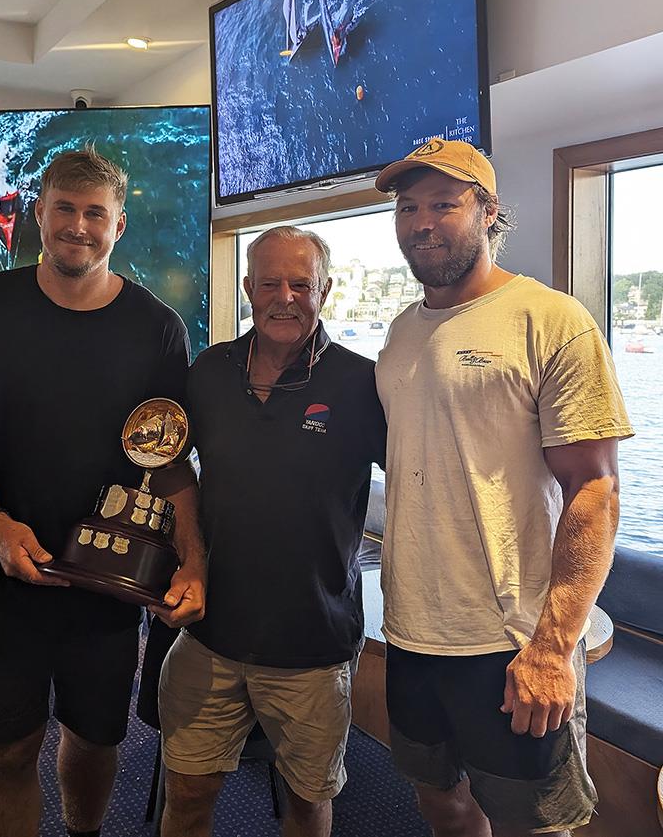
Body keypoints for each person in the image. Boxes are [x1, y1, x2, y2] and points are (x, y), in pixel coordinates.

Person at [0, 147, 206, 837]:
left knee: (98, 738)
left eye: (95, 212)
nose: (78, 225)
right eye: (63, 208)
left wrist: (191, 558)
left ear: (119, 225)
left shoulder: (157, 328)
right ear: (37, 212)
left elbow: (169, 457)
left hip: (109, 577)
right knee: (9, 750)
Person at [373, 139, 634, 837]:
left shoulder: (550, 319)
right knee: (442, 803)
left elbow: (596, 490)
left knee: (533, 825)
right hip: (413, 632)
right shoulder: (400, 334)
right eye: (407, 206)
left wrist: (552, 646)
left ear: (488, 211)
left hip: (512, 641)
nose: (421, 222)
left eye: (443, 203)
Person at [158, 226, 386, 837]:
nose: (285, 297)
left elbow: (425, 480)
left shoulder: (363, 384)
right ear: (247, 288)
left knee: (308, 804)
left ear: (326, 290)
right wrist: (189, 559)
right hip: (211, 633)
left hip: (314, 641)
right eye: (269, 283)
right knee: (185, 793)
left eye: (301, 284)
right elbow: (174, 463)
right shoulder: (208, 371)